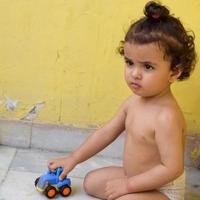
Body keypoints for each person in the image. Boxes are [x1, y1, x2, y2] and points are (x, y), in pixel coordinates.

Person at [48, 1, 196, 200]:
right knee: (91, 181)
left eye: (148, 67)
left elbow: (172, 169)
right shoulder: (133, 102)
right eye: (129, 62)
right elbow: (106, 133)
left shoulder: (166, 116)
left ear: (174, 72)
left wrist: (128, 185)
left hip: (163, 191)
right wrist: (74, 159)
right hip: (135, 178)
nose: (135, 74)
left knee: (123, 198)